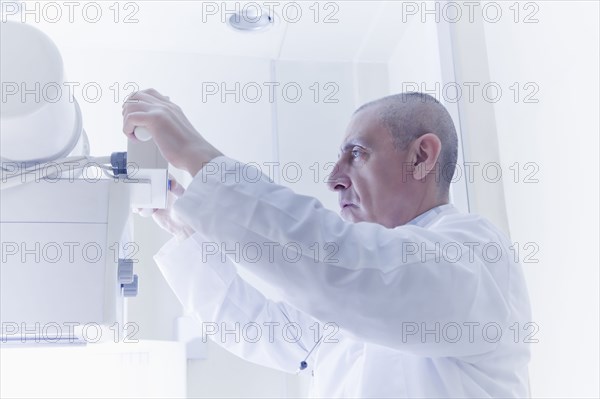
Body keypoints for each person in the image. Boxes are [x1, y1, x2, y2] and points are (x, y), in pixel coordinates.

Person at [123, 89, 532, 398]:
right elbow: (255, 327)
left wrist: (198, 156)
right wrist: (181, 226)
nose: (334, 178)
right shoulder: (356, 296)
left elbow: (345, 269)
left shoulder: (476, 255)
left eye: (356, 153)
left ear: (422, 157)